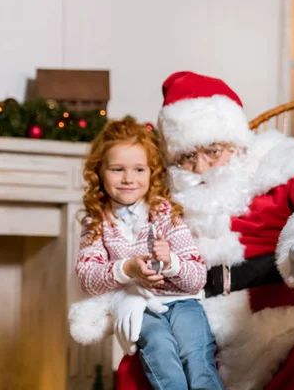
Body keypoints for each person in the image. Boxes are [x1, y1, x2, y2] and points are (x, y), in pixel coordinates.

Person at [71, 73, 294, 390]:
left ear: (236, 144)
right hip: (201, 328)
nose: (200, 168)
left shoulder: (280, 165)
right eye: (187, 157)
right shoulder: (160, 196)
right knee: (135, 370)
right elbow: (121, 252)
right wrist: (125, 298)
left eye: (213, 151)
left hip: (290, 323)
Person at [73, 119, 223, 389]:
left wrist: (171, 262)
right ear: (99, 172)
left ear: (151, 172)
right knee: (161, 352)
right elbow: (88, 279)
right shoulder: (95, 222)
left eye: (139, 169)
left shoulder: (165, 212)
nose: (129, 179)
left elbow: (197, 278)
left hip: (183, 302)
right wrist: (127, 268)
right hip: (139, 306)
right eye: (117, 169)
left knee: (196, 355)